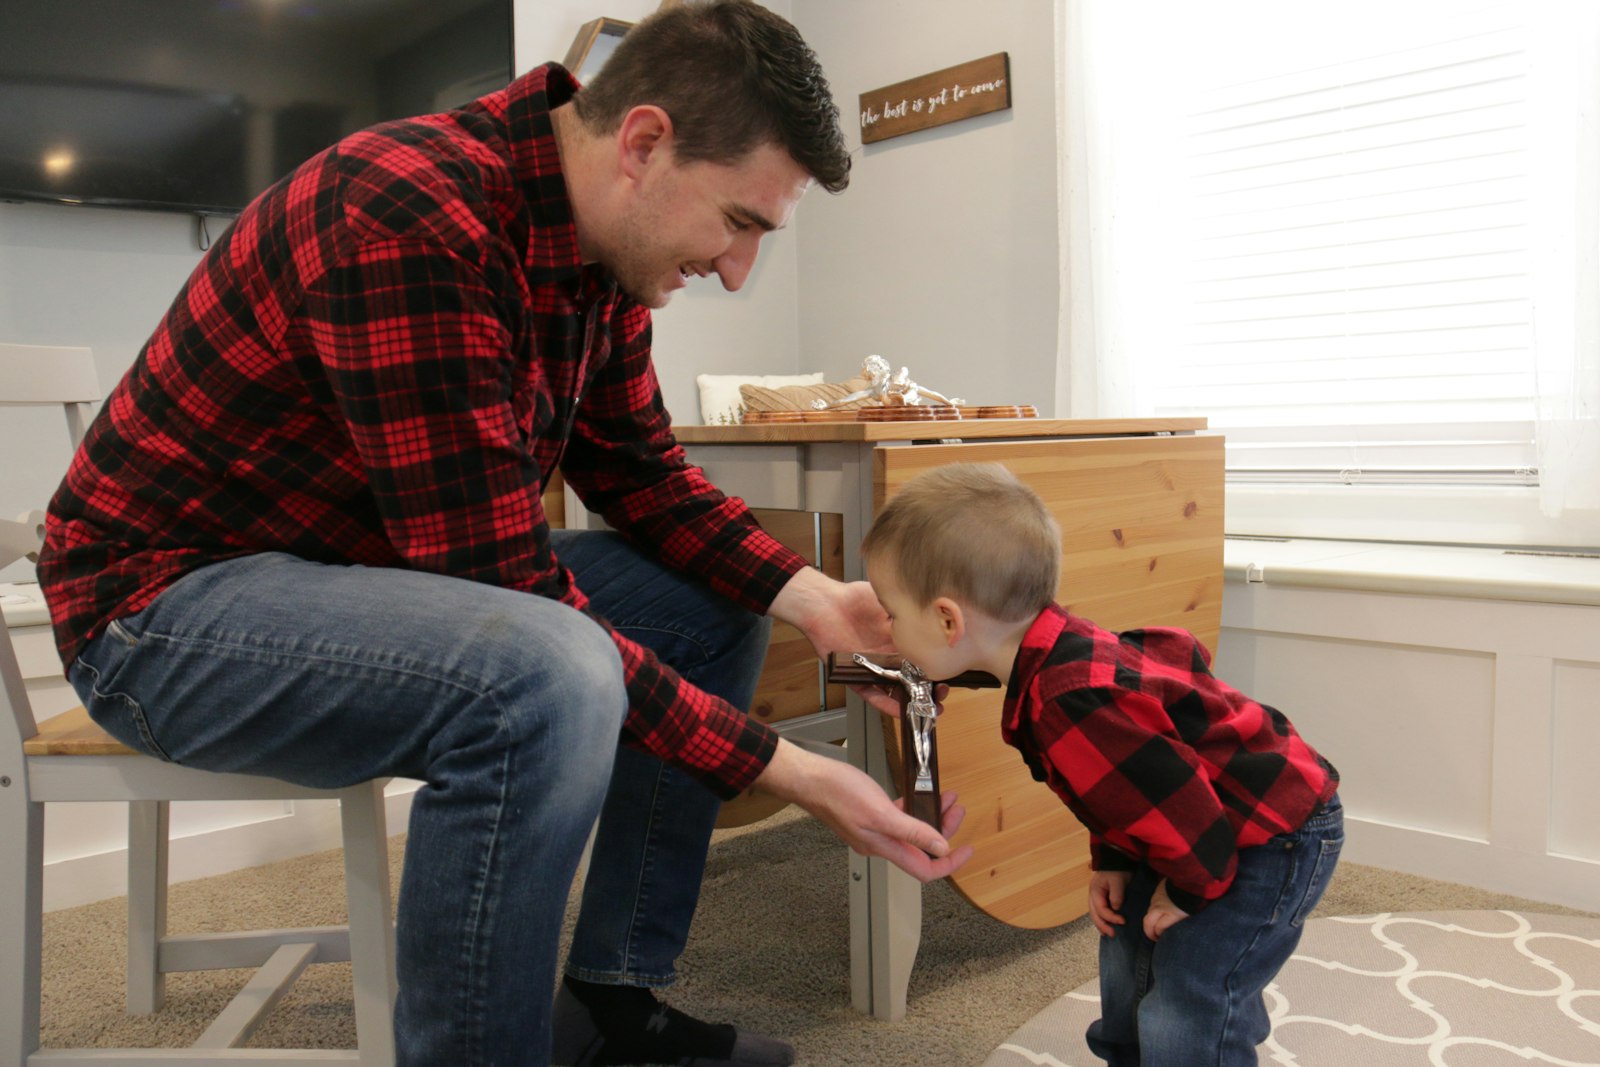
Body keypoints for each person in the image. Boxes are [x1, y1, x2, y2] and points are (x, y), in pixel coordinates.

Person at [36, 4, 971, 1065]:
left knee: (706, 604)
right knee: (543, 668)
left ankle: (616, 1000)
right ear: (644, 143)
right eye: (739, 221)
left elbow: (641, 474)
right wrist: (786, 768)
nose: (737, 267)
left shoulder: (601, 255)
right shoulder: (405, 215)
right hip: (158, 612)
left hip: (353, 567)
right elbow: (497, 582)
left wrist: (810, 594)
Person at [858, 463, 1343, 1066]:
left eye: (890, 613)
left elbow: (1189, 816)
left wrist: (1190, 893)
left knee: (1191, 993)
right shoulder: (1048, 653)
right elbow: (1129, 790)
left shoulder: (1071, 703)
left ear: (949, 620)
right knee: (1126, 961)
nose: (886, 629)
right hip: (1192, 824)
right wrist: (1115, 857)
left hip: (1268, 834)